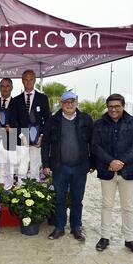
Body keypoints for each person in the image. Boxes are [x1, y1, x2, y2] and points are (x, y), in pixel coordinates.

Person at [91, 93, 133, 256]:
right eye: (111, 106)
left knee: (127, 207)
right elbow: (95, 146)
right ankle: (105, 237)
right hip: (107, 171)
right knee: (106, 205)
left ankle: (129, 239)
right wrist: (111, 162)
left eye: (117, 106)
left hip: (128, 170)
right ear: (107, 107)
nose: (113, 109)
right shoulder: (99, 123)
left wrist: (121, 161)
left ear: (123, 107)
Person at [41, 91, 94, 241]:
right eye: (66, 102)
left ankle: (76, 227)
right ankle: (59, 227)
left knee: (77, 199)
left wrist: (92, 163)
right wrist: (46, 164)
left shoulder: (85, 119)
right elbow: (46, 144)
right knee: (60, 199)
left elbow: (93, 142)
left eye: (72, 102)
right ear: (61, 104)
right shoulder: (53, 120)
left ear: (76, 103)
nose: (69, 105)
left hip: (80, 167)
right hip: (60, 167)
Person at [11, 69, 50, 185]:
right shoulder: (16, 100)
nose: (28, 82)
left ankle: (34, 194)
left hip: (37, 139)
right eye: (26, 80)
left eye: (31, 79)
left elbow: (47, 119)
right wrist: (21, 135)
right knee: (21, 169)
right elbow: (13, 120)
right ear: (22, 81)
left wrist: (42, 136)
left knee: (35, 168)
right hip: (21, 138)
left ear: (35, 80)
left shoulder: (43, 98)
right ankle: (20, 192)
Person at [0, 78, 17, 190]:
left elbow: (20, 120)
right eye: (2, 86)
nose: (4, 88)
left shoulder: (17, 103)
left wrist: (12, 127)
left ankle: (8, 189)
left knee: (9, 167)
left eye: (7, 86)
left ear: (11, 87)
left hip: (10, 138)